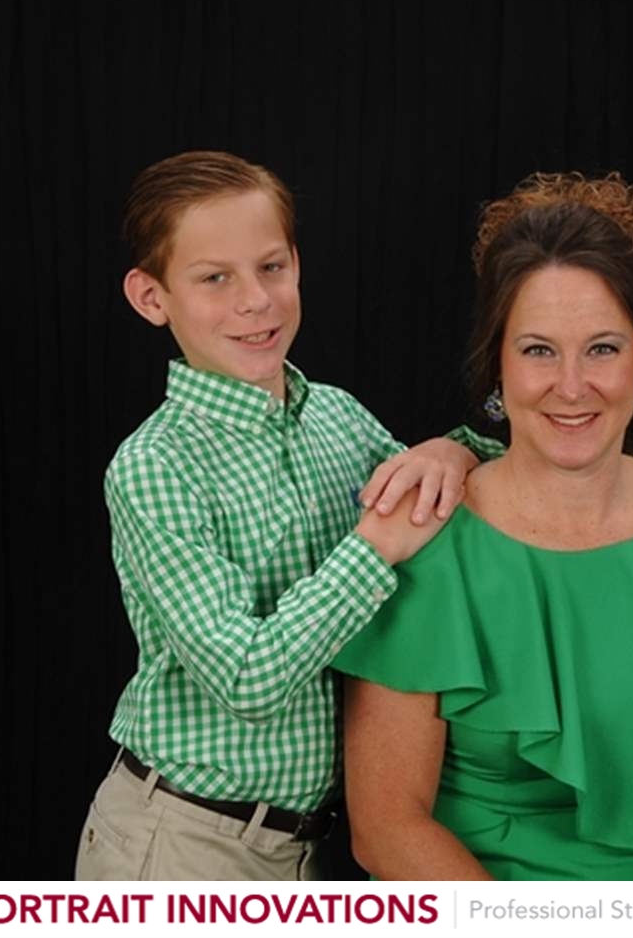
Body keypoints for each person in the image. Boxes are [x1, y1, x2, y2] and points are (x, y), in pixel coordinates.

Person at [333, 172, 633, 880]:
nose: (571, 386)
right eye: (538, 350)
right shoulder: (427, 540)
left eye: (602, 348)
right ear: (497, 365)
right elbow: (387, 826)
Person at [76, 150, 495, 881]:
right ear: (151, 297)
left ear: (296, 264)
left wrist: (450, 451)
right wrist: (373, 548)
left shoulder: (337, 417)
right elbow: (247, 678)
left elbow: (441, 496)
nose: (256, 301)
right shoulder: (154, 466)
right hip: (182, 843)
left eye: (271, 267)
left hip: (305, 845)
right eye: (215, 278)